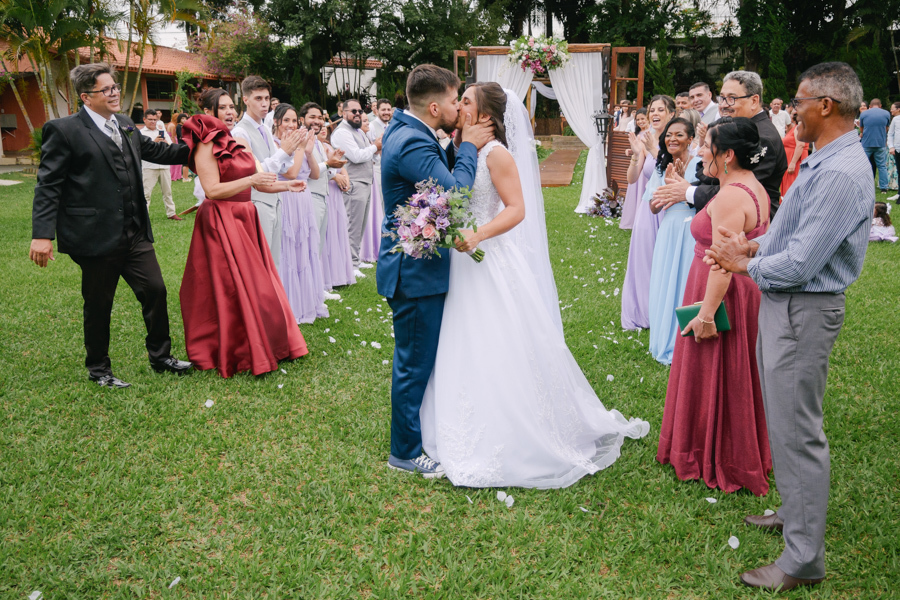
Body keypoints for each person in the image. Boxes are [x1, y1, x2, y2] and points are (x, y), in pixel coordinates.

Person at [419, 83, 649, 488]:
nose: (458, 106)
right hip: (461, 262)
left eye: (466, 101)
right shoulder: (461, 150)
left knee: (495, 340)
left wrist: (479, 234)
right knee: (462, 337)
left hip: (488, 258)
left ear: (485, 116)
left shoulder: (497, 154)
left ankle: (511, 429)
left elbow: (517, 209)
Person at [704, 62, 873, 592]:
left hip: (804, 308)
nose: (791, 110)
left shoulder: (841, 172)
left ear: (826, 105)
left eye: (798, 101)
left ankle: (802, 558)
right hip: (789, 305)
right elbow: (793, 233)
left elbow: (802, 263)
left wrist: (742, 265)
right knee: (784, 420)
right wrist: (755, 246)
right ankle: (793, 511)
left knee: (798, 430)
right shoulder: (825, 157)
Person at [29, 62, 192, 388]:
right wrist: (42, 235)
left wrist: (200, 150)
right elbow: (48, 185)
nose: (115, 93)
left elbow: (155, 151)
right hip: (95, 235)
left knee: (155, 290)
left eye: (115, 87)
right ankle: (99, 369)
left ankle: (161, 357)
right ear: (86, 97)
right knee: (99, 303)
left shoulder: (125, 124)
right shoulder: (64, 130)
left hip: (134, 231)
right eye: (106, 89)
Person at [376, 64, 493, 478]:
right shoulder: (411, 140)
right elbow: (455, 192)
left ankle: (419, 434)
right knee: (412, 364)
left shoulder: (412, 130)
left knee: (420, 359)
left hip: (418, 267)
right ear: (433, 107)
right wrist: (470, 146)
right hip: (413, 272)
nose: (458, 107)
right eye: (454, 100)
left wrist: (458, 143)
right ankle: (405, 452)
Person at [658, 116, 772, 499]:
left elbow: (723, 264)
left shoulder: (730, 197)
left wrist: (706, 314)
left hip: (721, 293)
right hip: (740, 290)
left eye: (708, 146)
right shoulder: (753, 186)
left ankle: (713, 454)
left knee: (718, 371)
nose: (701, 151)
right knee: (737, 374)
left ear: (727, 155)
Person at [180, 89, 309, 378]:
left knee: (259, 283)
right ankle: (234, 347)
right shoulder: (205, 145)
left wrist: (286, 186)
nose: (229, 112)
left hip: (245, 216)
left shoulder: (236, 142)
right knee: (229, 286)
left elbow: (259, 182)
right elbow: (213, 190)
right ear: (208, 112)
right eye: (222, 107)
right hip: (220, 220)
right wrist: (251, 179)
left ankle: (266, 340)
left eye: (231, 106)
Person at [654, 71, 788, 220]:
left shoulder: (762, 138)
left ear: (754, 101)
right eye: (722, 98)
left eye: (731, 99)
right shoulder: (737, 128)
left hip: (750, 224)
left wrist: (688, 191)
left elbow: (739, 190)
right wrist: (683, 186)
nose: (723, 105)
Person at [232, 76, 303, 272]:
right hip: (257, 202)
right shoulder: (239, 133)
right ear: (245, 100)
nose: (264, 104)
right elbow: (256, 172)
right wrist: (284, 151)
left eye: (266, 98)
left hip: (275, 200)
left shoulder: (264, 128)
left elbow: (280, 166)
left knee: (274, 261)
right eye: (258, 98)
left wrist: (290, 149)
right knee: (260, 262)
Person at [647, 118, 701, 365]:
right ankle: (666, 339)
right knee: (666, 279)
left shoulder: (700, 164)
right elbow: (653, 207)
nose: (672, 139)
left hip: (693, 228)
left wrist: (683, 187)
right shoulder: (661, 167)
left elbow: (707, 198)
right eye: (669, 135)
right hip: (669, 229)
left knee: (687, 281)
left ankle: (687, 341)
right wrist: (666, 191)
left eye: (679, 135)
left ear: (690, 139)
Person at [620, 94, 675, 330]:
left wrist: (654, 150)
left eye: (660, 110)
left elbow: (674, 171)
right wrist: (636, 154)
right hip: (647, 208)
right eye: (652, 110)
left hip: (671, 207)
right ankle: (644, 311)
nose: (654, 114)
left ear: (671, 114)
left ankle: (664, 311)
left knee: (665, 261)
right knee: (644, 260)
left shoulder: (677, 138)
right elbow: (632, 178)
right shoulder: (644, 138)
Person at [272, 103, 330, 324]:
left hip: (304, 200)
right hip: (286, 197)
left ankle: (306, 300)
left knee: (305, 248)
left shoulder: (301, 145)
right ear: (276, 122)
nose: (291, 124)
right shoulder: (276, 145)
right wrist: (298, 148)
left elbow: (314, 174)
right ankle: (288, 302)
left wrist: (308, 151)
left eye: (294, 121)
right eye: (286, 120)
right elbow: (291, 173)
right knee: (288, 248)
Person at [331, 98, 382, 277]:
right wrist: (374, 147)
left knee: (360, 224)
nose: (358, 114)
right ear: (344, 113)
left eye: (360, 111)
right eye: (353, 111)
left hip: (365, 182)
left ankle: (355, 259)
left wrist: (376, 150)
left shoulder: (359, 131)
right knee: (352, 224)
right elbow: (356, 156)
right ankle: (351, 265)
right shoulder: (342, 133)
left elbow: (371, 156)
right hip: (353, 182)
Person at [317, 124, 357, 290]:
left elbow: (341, 166)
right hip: (325, 189)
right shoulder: (313, 147)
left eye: (324, 126)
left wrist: (345, 179)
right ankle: (327, 276)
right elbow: (316, 170)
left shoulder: (328, 146)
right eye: (319, 127)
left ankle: (339, 274)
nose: (323, 129)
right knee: (328, 233)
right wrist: (335, 177)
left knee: (338, 229)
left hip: (336, 193)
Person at [139, 109, 181, 221]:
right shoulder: (141, 133)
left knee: (168, 192)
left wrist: (165, 142)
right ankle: (144, 217)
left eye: (155, 119)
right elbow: (140, 150)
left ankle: (171, 213)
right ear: (144, 119)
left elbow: (170, 145)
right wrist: (154, 142)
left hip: (164, 165)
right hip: (149, 166)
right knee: (146, 193)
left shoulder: (162, 131)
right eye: (150, 119)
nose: (153, 122)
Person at [619, 108, 651, 229]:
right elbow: (638, 150)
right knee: (634, 191)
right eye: (638, 119)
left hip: (645, 167)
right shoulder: (638, 133)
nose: (640, 121)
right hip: (636, 165)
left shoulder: (650, 133)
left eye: (643, 118)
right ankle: (633, 219)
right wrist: (630, 150)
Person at [360, 113, 384, 264]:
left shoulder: (367, 138)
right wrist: (375, 146)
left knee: (375, 211)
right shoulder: (357, 138)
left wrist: (377, 147)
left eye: (367, 120)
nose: (367, 123)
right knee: (366, 215)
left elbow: (376, 158)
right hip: (365, 175)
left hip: (372, 175)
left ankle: (374, 247)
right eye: (364, 121)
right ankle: (364, 251)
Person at [859, 98, 892, 193]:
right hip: (880, 143)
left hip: (867, 143)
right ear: (880, 105)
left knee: (863, 165)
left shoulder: (864, 114)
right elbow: (887, 128)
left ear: (870, 106)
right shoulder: (886, 113)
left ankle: (864, 186)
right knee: (882, 166)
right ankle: (884, 188)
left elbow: (861, 129)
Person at [781, 112, 809, 195]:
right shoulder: (795, 128)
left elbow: (800, 144)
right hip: (791, 159)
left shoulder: (798, 128)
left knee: (791, 186)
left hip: (795, 160)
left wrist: (793, 163)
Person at [887, 102, 900, 201]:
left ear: (898, 109)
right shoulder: (895, 120)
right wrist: (891, 147)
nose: (891, 110)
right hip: (898, 149)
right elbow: (890, 134)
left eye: (893, 108)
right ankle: (899, 193)